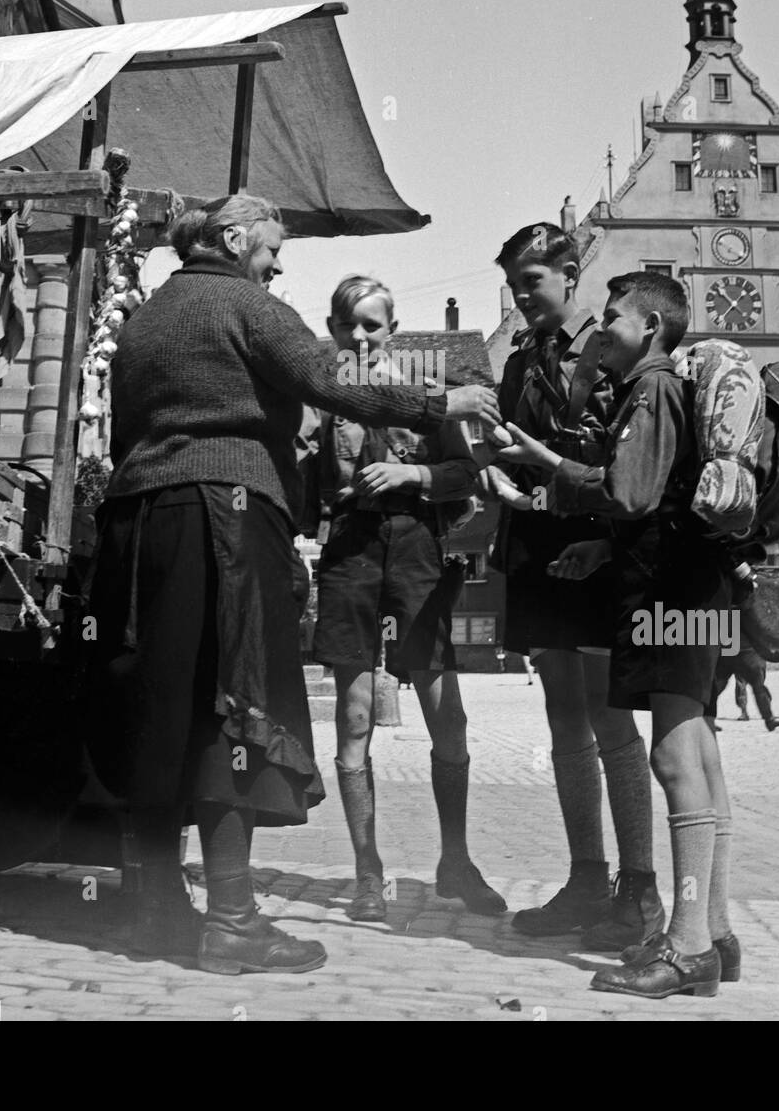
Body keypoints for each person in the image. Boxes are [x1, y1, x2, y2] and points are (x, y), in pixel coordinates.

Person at [86, 196, 500, 975]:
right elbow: (333, 381)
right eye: (273, 250)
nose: (279, 266)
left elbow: (118, 434)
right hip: (227, 523)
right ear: (235, 240)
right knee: (237, 704)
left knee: (162, 705)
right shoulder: (249, 306)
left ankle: (155, 910)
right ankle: (235, 922)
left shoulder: (143, 321)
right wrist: (438, 402)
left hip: (139, 525)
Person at [499, 271, 735, 999]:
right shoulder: (669, 388)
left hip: (666, 591)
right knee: (699, 757)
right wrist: (605, 546)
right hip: (695, 584)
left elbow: (628, 492)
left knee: (671, 758)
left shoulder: (651, 387)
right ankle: (715, 933)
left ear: (653, 329)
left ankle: (689, 947)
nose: (603, 330)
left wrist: (545, 464)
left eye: (615, 319)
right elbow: (659, 498)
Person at [478, 225, 663, 953]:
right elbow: (511, 443)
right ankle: (588, 878)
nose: (523, 298)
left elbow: (629, 463)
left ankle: (639, 891)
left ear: (569, 273)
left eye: (533, 281)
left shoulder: (609, 348)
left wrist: (605, 535)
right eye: (515, 285)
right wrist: (494, 473)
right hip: (537, 541)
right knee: (563, 718)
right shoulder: (521, 358)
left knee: (610, 717)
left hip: (595, 542)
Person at [301, 276, 505, 923]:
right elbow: (301, 475)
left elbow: (463, 473)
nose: (360, 337)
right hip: (352, 552)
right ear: (334, 330)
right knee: (354, 718)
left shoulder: (424, 392)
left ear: (392, 329)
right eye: (348, 326)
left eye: (372, 326)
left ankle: (456, 861)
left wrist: (413, 472)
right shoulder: (323, 398)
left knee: (448, 713)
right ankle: (367, 874)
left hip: (417, 549)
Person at [718, 643, 779, 730]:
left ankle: (769, 718)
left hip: (747, 654)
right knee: (728, 685)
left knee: (757, 685)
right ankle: (752, 714)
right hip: (735, 652)